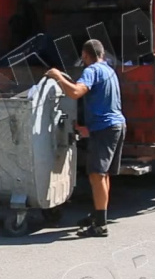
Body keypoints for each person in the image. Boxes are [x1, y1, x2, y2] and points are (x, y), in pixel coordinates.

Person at [45, 39, 125, 237]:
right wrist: (85, 127)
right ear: (102, 54)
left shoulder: (92, 70)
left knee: (96, 174)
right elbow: (105, 101)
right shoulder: (109, 71)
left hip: (106, 127)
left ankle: (100, 226)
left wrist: (57, 77)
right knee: (103, 174)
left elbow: (75, 93)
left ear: (85, 56)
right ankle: (99, 216)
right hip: (116, 125)